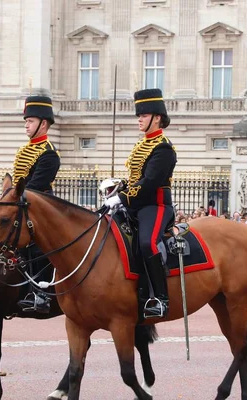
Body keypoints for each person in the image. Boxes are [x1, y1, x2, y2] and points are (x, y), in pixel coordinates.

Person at [0, 95, 61, 313]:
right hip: (21, 205)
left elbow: (34, 187)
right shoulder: (23, 151)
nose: (26, 124)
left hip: (40, 206)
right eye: (26, 121)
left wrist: (10, 199)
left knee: (37, 246)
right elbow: (17, 184)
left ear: (43, 124)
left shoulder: (49, 153)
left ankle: (42, 294)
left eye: (30, 121)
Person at [103, 88, 177, 319]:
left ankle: (161, 298)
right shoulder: (141, 146)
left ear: (156, 118)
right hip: (134, 205)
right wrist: (119, 185)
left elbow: (151, 181)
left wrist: (123, 197)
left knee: (147, 243)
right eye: (139, 115)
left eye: (143, 115)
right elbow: (137, 179)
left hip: (155, 206)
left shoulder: (163, 147)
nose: (139, 119)